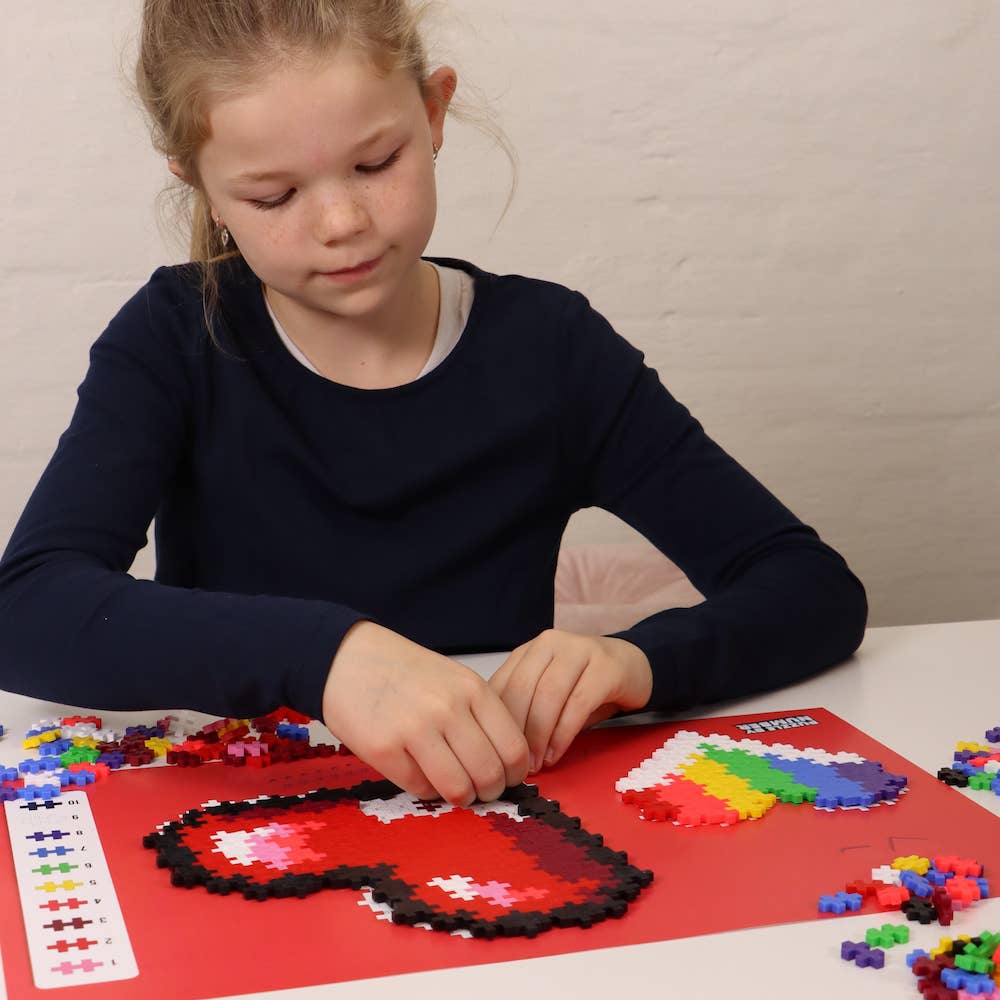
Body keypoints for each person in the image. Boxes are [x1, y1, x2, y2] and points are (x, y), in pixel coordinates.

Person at [0, 0, 867, 808]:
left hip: (500, 813)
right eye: (274, 197)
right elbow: (29, 605)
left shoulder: (551, 347)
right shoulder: (176, 338)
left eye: (376, 163)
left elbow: (810, 588)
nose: (341, 221)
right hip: (246, 816)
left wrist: (637, 660)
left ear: (435, 111)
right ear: (199, 182)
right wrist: (326, 656)